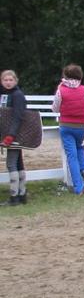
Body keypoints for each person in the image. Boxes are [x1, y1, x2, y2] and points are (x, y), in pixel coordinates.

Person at [52, 63, 84, 195]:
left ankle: (79, 187)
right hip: (81, 126)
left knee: (71, 156)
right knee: (80, 147)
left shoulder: (61, 89)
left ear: (66, 75)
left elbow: (55, 108)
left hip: (66, 125)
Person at [1, 69, 29, 205]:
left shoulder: (17, 95)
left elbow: (18, 117)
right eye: (5, 80)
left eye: (10, 80)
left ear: (15, 81)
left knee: (11, 163)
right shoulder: (5, 95)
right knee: (18, 163)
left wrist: (11, 135)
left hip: (14, 134)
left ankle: (14, 197)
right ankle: (22, 194)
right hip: (9, 133)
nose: (8, 82)